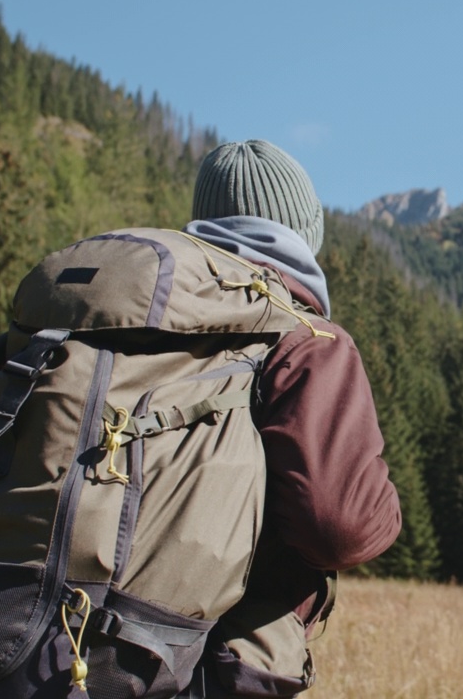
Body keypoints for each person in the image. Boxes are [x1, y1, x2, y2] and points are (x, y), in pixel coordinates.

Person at [183, 139, 401, 695]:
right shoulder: (307, 341)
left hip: (44, 644)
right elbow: (340, 531)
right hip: (204, 668)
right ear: (306, 234)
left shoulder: (143, 324)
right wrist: (386, 507)